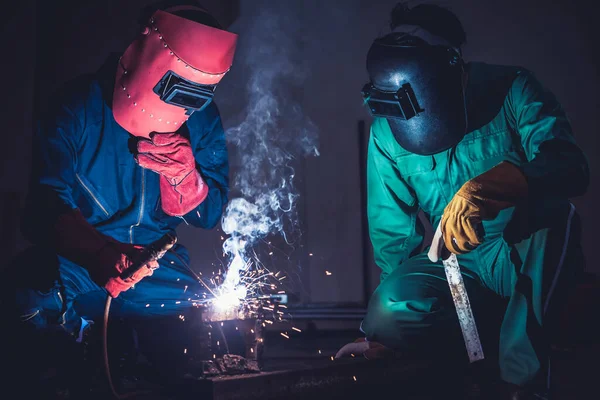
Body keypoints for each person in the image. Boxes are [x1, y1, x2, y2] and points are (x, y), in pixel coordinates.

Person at [336, 2, 589, 399]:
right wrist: (390, 334)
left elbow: (570, 165)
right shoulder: (387, 131)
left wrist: (489, 189)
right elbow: (392, 234)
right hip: (454, 262)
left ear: (450, 66)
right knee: (389, 309)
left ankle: (520, 381)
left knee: (555, 215)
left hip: (520, 248)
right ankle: (474, 341)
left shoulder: (513, 88)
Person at [6, 0, 237, 395]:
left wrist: (187, 179)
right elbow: (43, 208)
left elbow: (208, 214)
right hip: (79, 262)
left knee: (203, 342)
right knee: (26, 300)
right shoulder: (77, 105)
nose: (182, 107)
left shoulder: (202, 117)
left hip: (158, 267)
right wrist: (97, 252)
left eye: (193, 96)